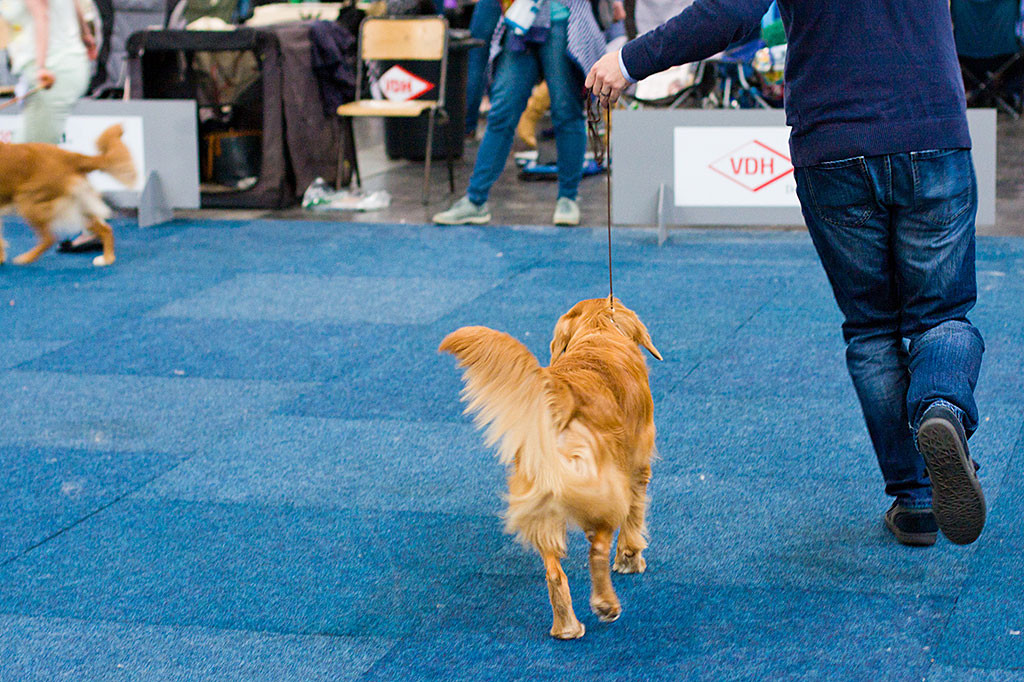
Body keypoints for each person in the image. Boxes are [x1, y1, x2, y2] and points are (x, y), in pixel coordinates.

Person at [586, 0, 988, 547]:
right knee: (942, 317)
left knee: (872, 329)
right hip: (932, 128)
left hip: (832, 145)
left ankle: (915, 500)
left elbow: (730, 14)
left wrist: (629, 61)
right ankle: (941, 409)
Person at [433, 0, 606, 226]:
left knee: (566, 112)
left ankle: (568, 197)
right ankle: (475, 200)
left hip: (562, 19)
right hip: (521, 24)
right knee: (501, 113)